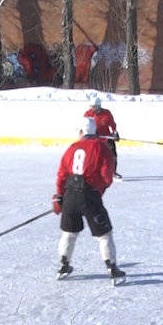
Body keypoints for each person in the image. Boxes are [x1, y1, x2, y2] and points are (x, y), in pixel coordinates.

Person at [52, 116, 126, 284]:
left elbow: (62, 174)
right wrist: (97, 191)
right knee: (104, 235)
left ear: (82, 131)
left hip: (70, 194)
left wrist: (59, 196)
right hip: (89, 195)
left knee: (69, 234)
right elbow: (107, 176)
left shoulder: (72, 148)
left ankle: (64, 265)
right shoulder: (101, 148)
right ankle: (112, 269)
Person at [84, 96, 121, 179]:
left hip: (107, 138)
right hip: (94, 139)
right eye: (91, 106)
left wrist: (115, 133)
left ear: (99, 106)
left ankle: (113, 172)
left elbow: (112, 124)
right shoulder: (88, 114)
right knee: (94, 156)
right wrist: (90, 133)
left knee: (112, 155)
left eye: (94, 107)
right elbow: (84, 126)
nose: (92, 108)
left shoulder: (106, 113)